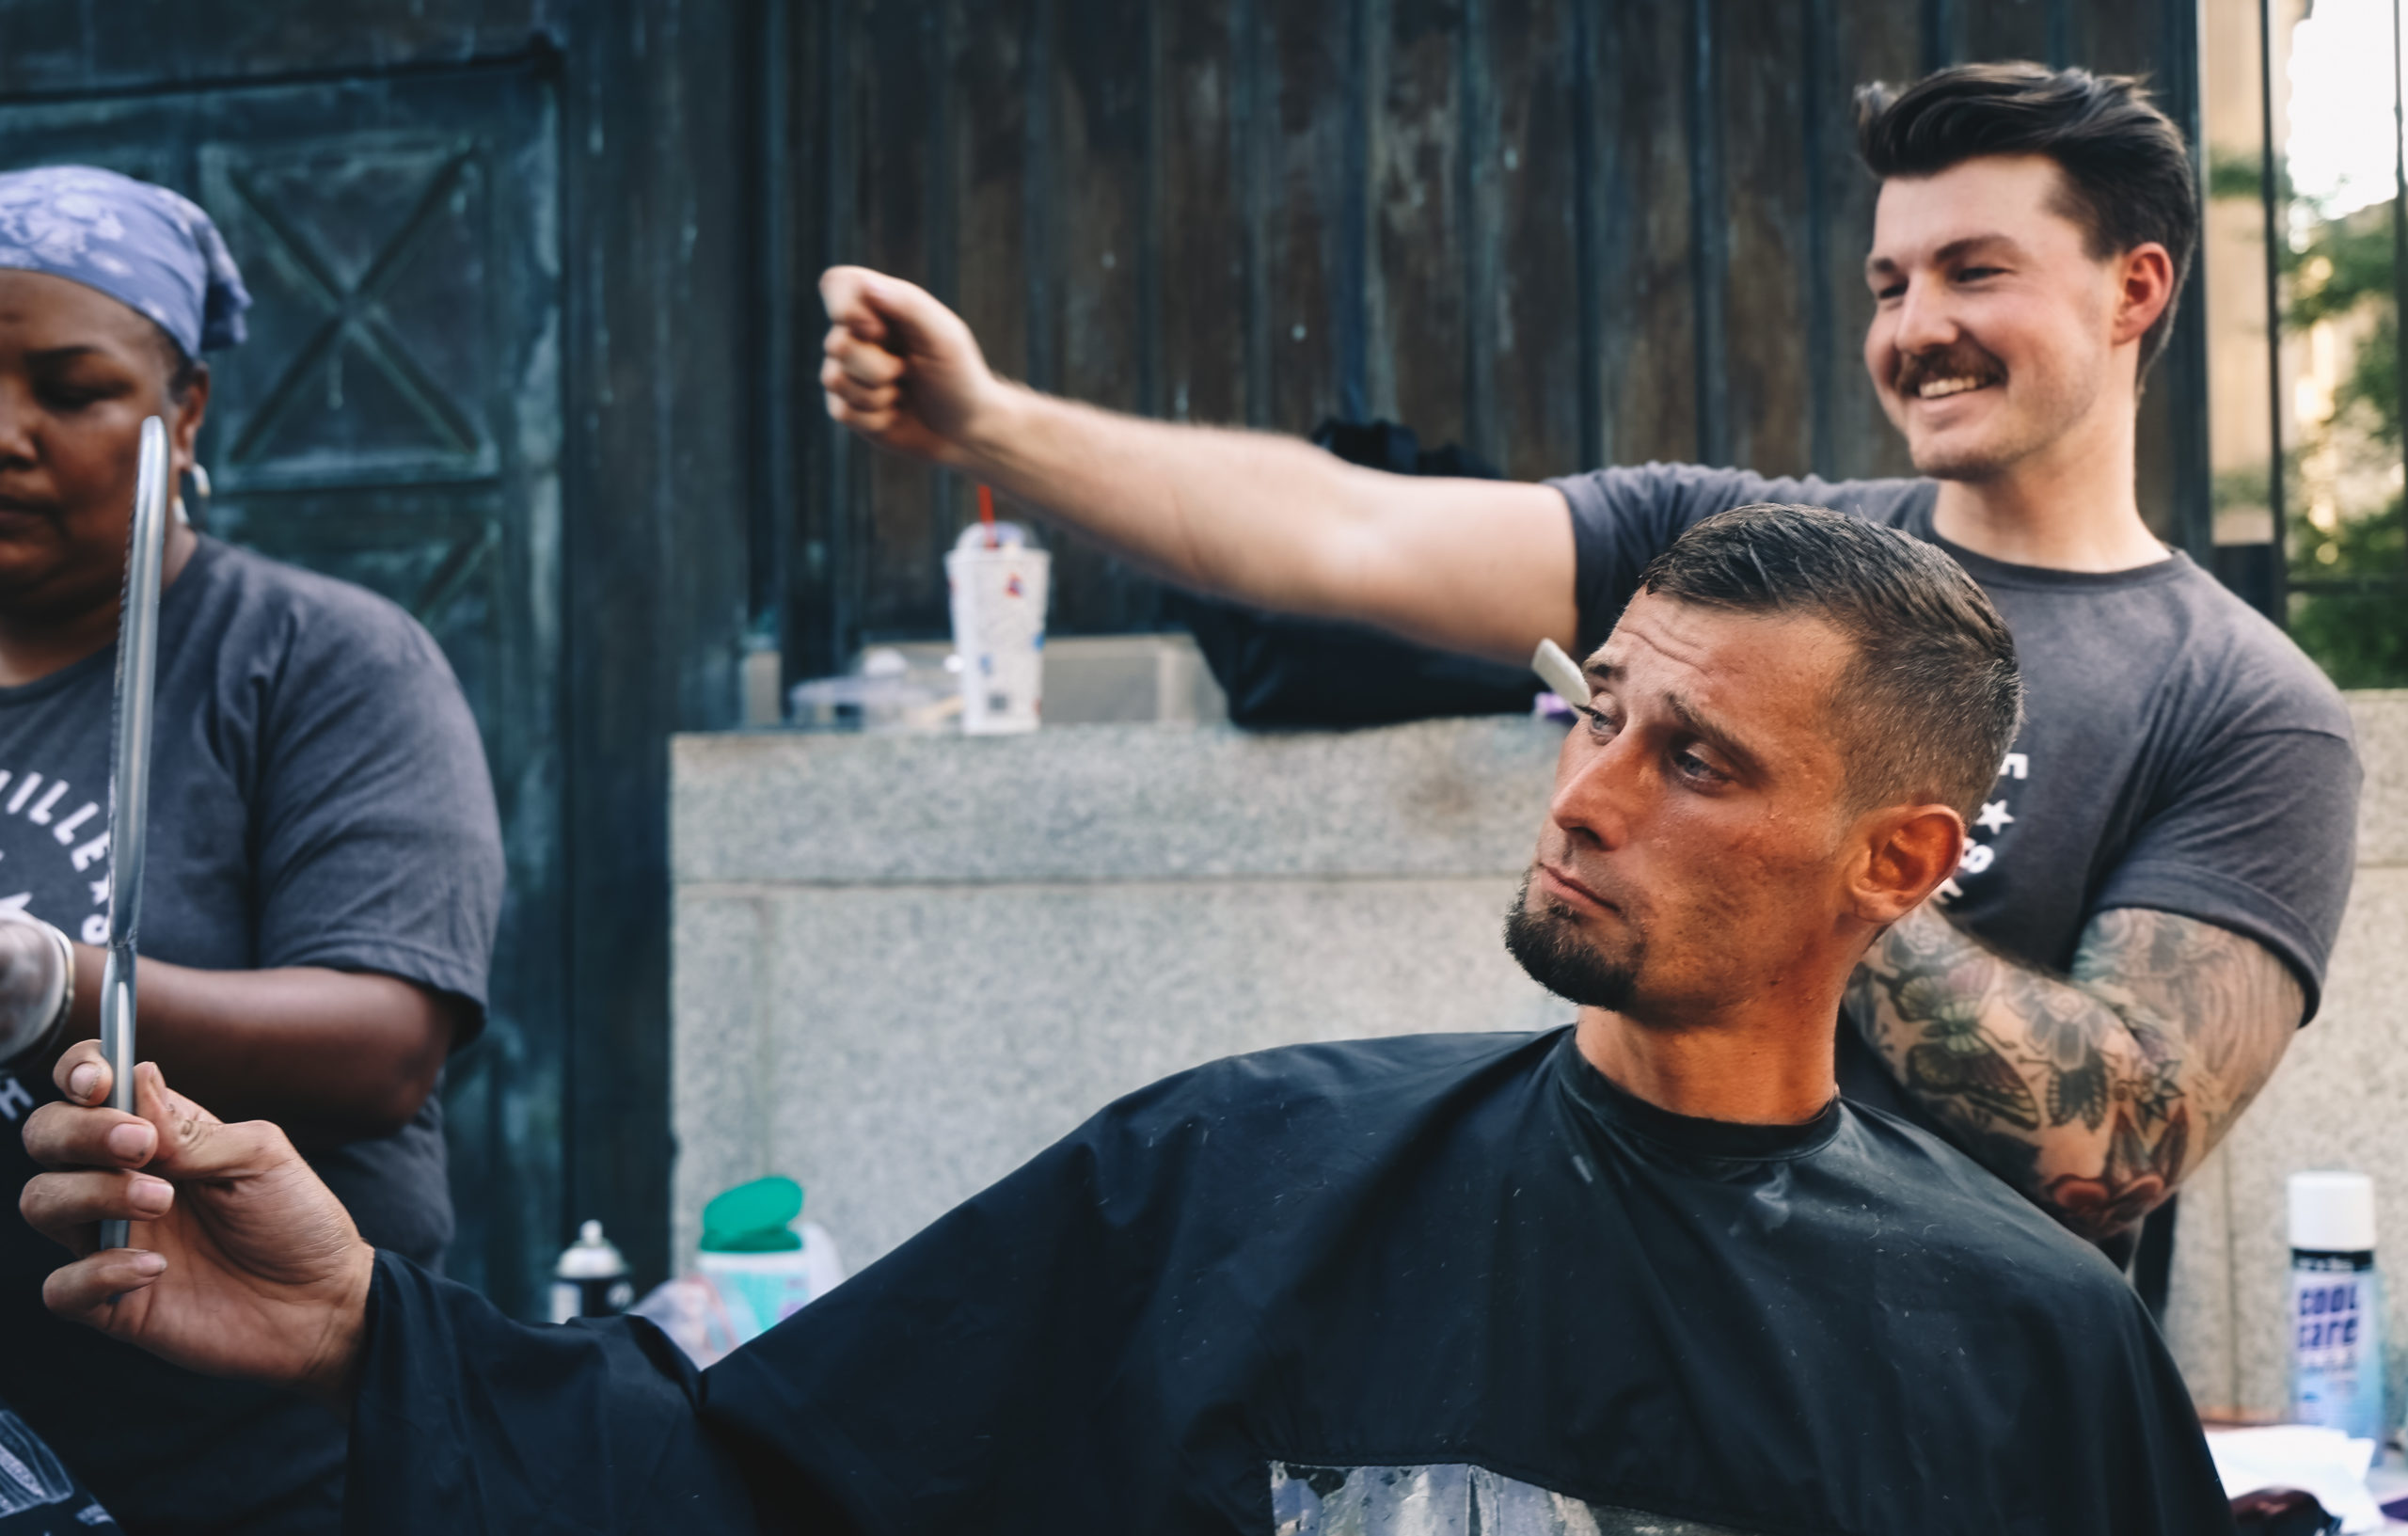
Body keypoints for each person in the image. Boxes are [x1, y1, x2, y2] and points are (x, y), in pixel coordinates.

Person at [23, 505, 2234, 1534]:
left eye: (1696, 761)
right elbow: (764, 1477)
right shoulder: (1238, 1179)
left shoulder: (2025, 1348)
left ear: (1897, 867)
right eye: (1589, 710)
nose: (1579, 791)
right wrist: (364, 1336)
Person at [814, 62, 2360, 1260]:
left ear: (2136, 288)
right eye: (1890, 284)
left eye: (1975, 271)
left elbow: (2118, 1150)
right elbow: (1347, 531)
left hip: (1950, 1416)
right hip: (1617, 1322)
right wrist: (990, 423)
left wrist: (1794, 810)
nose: (1913, 329)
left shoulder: (2243, 705)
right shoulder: (1732, 546)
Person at [0, 166, 504, 1533]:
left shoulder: (316, 661)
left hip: (254, 1466)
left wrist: (55, 981)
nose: (6, 431)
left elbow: (383, 1038)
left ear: (185, 413)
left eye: (71, 385)